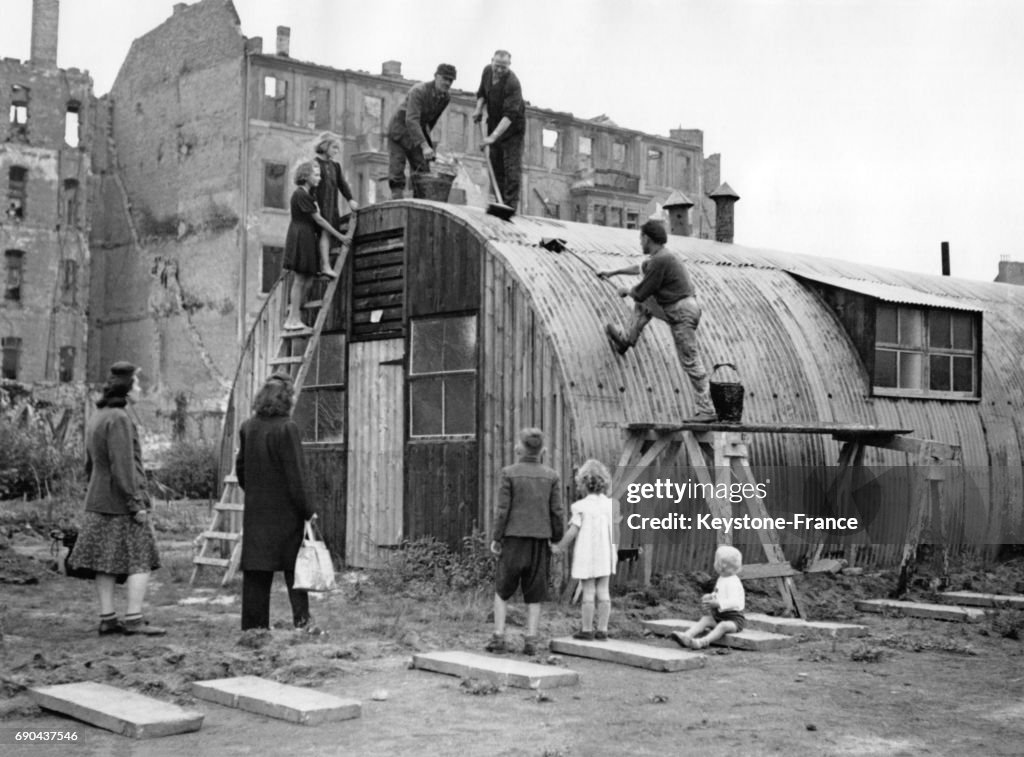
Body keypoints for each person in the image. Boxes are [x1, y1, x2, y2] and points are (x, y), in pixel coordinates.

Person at [70, 361, 165, 636]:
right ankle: (134, 618)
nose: (139, 389)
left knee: (105, 560)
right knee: (141, 558)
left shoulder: (97, 416)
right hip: (121, 503)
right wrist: (137, 503)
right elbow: (123, 466)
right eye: (136, 384)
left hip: (98, 499)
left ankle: (108, 617)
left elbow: (89, 463)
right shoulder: (121, 419)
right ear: (126, 388)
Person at [598, 219, 718, 423]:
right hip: (677, 308)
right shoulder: (660, 257)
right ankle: (626, 340)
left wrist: (626, 290)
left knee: (690, 361)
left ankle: (707, 410)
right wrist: (613, 272)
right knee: (644, 305)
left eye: (641, 238)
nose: (640, 242)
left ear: (647, 238)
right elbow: (641, 268)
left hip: (681, 311)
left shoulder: (660, 260)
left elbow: (643, 290)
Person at [235, 373, 320, 633]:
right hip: (286, 513)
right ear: (285, 400)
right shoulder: (287, 427)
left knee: (256, 570)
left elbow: (241, 471)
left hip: (257, 511)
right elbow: (296, 474)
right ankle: (302, 623)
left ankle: (254, 629)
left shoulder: (248, 426)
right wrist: (309, 510)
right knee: (295, 568)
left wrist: (257, 493)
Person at [487, 428, 564, 656]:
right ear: (544, 451)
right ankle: (531, 640)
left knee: (502, 589)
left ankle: (499, 637)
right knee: (535, 592)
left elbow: (502, 510)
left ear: (518, 448)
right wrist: (556, 538)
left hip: (512, 539)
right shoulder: (551, 476)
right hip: (540, 541)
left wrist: (497, 537)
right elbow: (557, 511)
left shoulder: (508, 473)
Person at [551, 459, 620, 641]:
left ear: (582, 483)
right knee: (604, 590)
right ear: (604, 481)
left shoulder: (580, 507)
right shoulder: (611, 505)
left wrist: (559, 547)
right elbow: (615, 530)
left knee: (588, 590)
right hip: (606, 553)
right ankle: (603, 630)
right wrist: (615, 551)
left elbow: (573, 531)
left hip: (587, 554)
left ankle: (587, 630)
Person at [282, 161, 348, 329]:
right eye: (316, 175)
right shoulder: (300, 195)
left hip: (307, 235)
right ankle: (292, 319)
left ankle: (295, 316)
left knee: (308, 278)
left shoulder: (308, 195)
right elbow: (318, 219)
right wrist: (339, 235)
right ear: (305, 176)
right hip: (301, 235)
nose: (319, 178)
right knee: (300, 278)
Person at [387, 63, 456, 198]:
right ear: (436, 76)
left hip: (416, 133)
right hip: (399, 132)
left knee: (423, 172)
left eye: (450, 80)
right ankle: (396, 203)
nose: (447, 83)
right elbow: (411, 120)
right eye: (444, 78)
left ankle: (420, 204)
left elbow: (430, 122)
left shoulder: (445, 98)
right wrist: (424, 146)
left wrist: (428, 145)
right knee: (397, 174)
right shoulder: (419, 91)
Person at [472, 50, 525, 212]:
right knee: (495, 164)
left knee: (511, 168)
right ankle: (498, 201)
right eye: (497, 66)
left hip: (512, 129)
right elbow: (482, 93)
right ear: (492, 61)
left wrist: (492, 137)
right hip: (494, 122)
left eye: (504, 67)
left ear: (509, 65)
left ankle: (509, 207)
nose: (500, 70)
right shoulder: (487, 71)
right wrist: (479, 108)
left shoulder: (513, 83)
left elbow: (509, 116)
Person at [671, 545, 746, 649]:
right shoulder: (722, 578)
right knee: (705, 619)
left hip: (734, 620)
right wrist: (710, 596)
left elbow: (735, 602)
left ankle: (703, 642)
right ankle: (687, 636)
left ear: (721, 566)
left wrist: (718, 603)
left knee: (723, 626)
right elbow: (719, 593)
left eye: (716, 561)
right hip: (719, 617)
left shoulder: (733, 582)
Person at [312, 133, 359, 278]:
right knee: (324, 233)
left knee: (328, 234)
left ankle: (325, 265)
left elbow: (342, 184)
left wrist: (350, 199)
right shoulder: (315, 164)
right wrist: (314, 204)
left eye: (338, 148)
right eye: (334, 147)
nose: (336, 151)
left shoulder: (335, 166)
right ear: (325, 146)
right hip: (319, 204)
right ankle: (325, 266)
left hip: (331, 204)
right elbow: (312, 186)